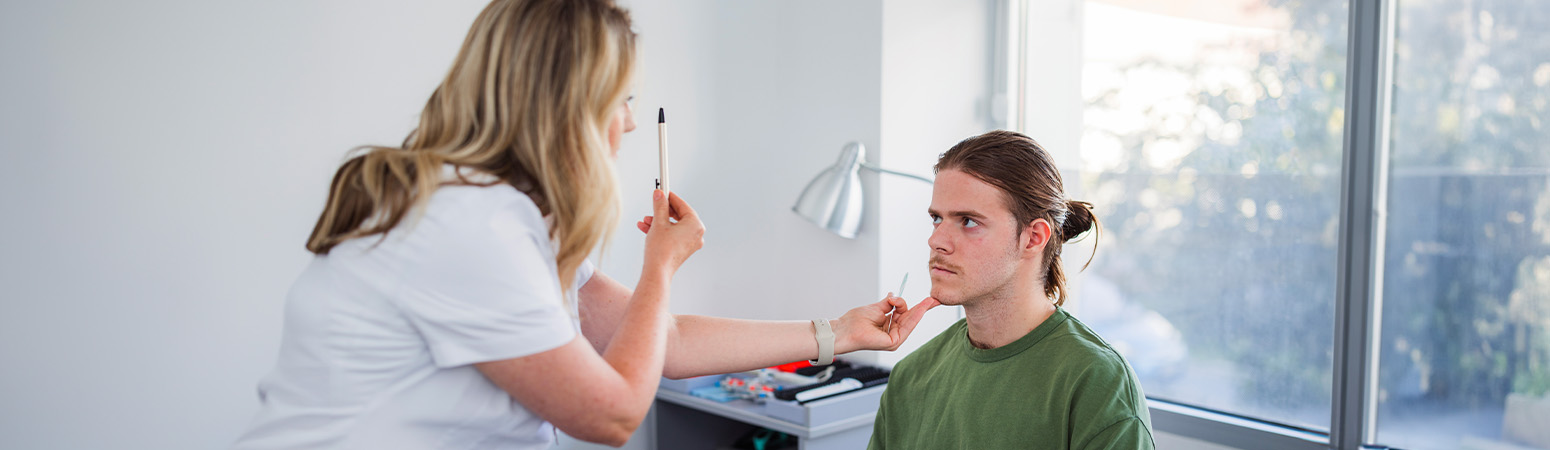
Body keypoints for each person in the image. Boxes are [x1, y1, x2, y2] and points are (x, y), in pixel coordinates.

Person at [231, 1, 938, 448]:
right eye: (620, 98)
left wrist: (838, 332)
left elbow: (664, 340)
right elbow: (611, 416)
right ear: (569, 105)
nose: (630, 120)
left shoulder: (501, 216)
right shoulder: (467, 225)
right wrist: (660, 265)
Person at [867, 130, 1154, 450]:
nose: (936, 241)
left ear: (1033, 238)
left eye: (968, 221)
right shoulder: (911, 376)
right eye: (937, 218)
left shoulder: (1096, 383)